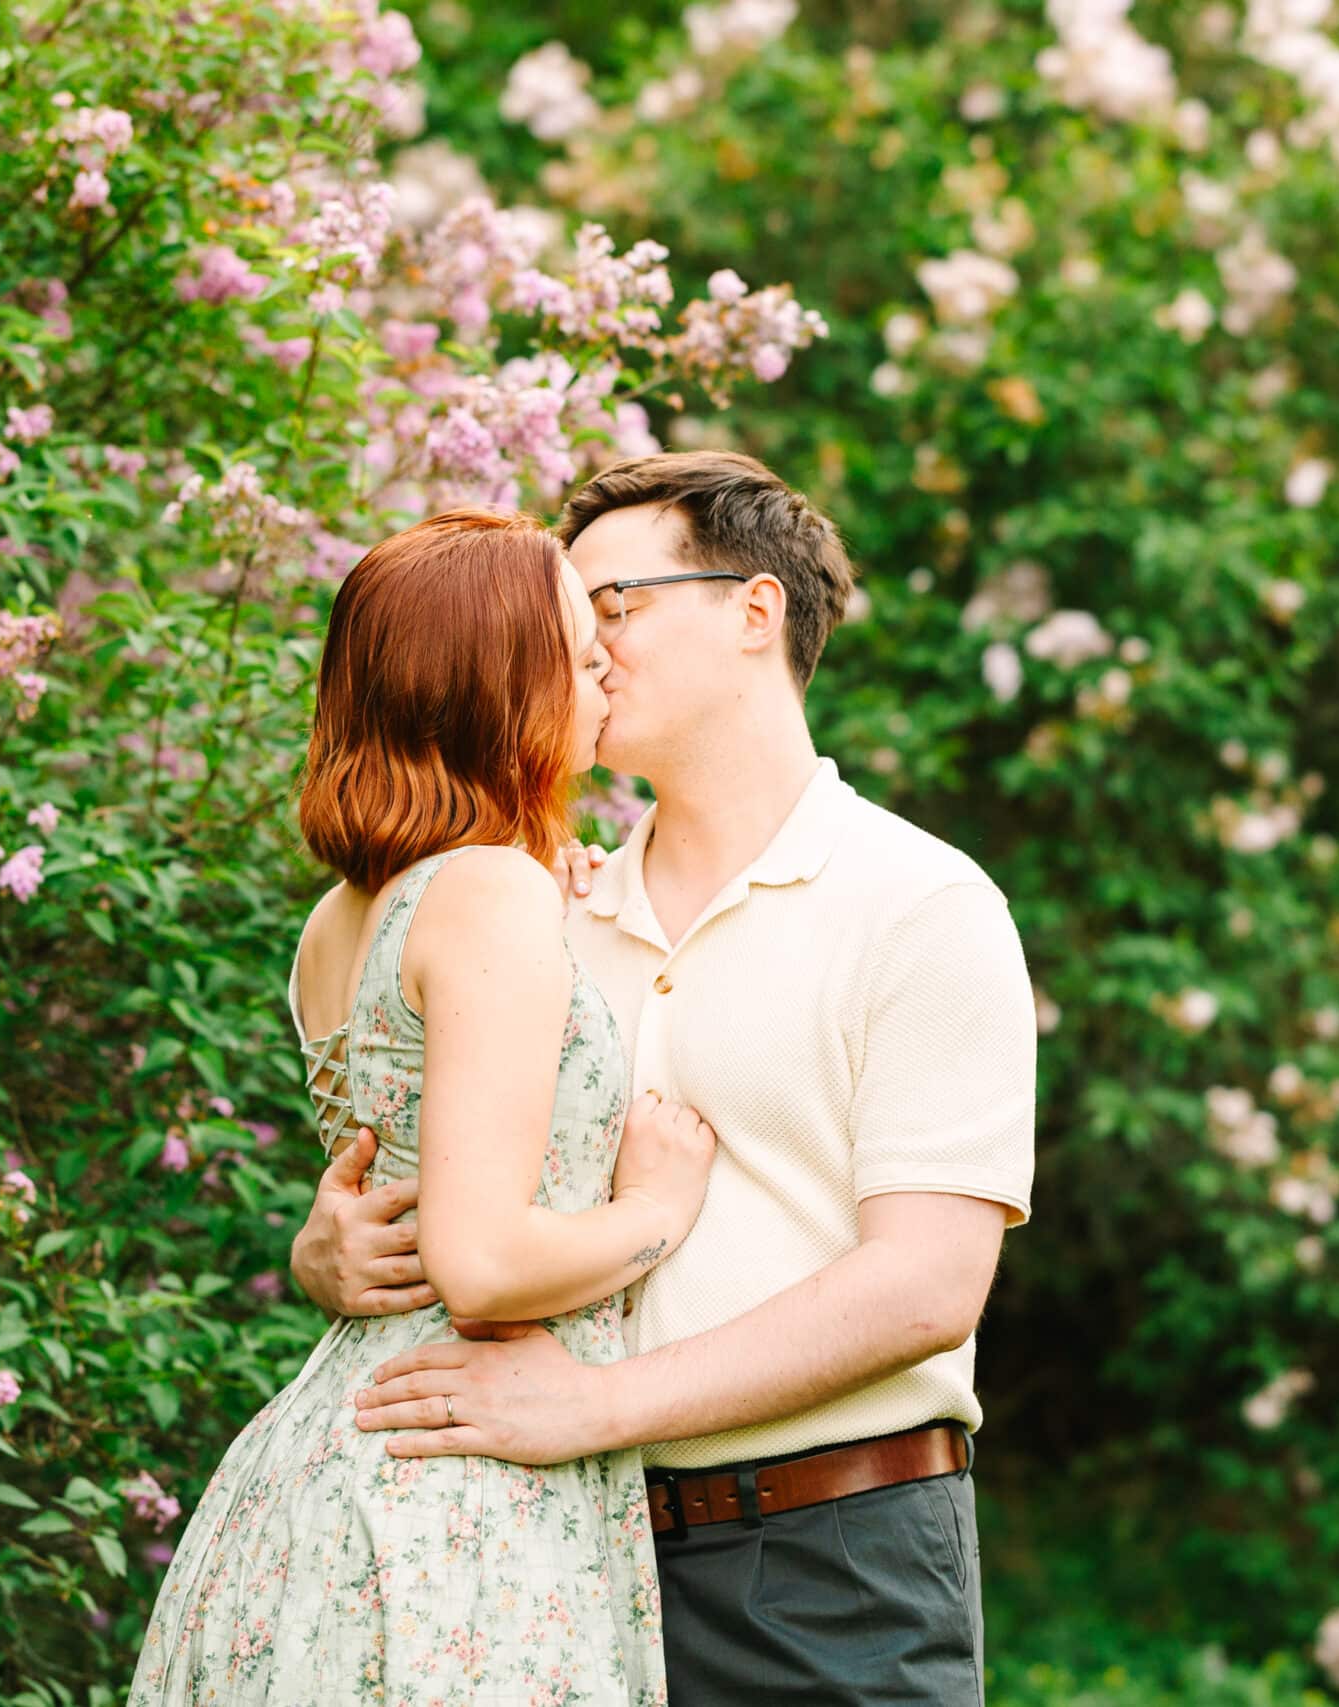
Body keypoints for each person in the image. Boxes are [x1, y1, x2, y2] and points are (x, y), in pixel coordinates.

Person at [293, 451, 1039, 1705]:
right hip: (541, 1555)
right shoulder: (537, 911)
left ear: (754, 610)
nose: (584, 645)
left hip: (829, 1560)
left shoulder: (919, 904)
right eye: (571, 618)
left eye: (613, 604)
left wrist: (596, 1406)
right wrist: (330, 1250)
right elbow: (455, 1194)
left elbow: (926, 1287)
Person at [129, 508, 719, 1706]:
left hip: (331, 1456)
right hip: (455, 1483)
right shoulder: (490, 894)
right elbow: (481, 1264)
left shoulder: (343, 917)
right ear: (502, 689)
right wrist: (654, 1211)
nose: (605, 670)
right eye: (578, 649)